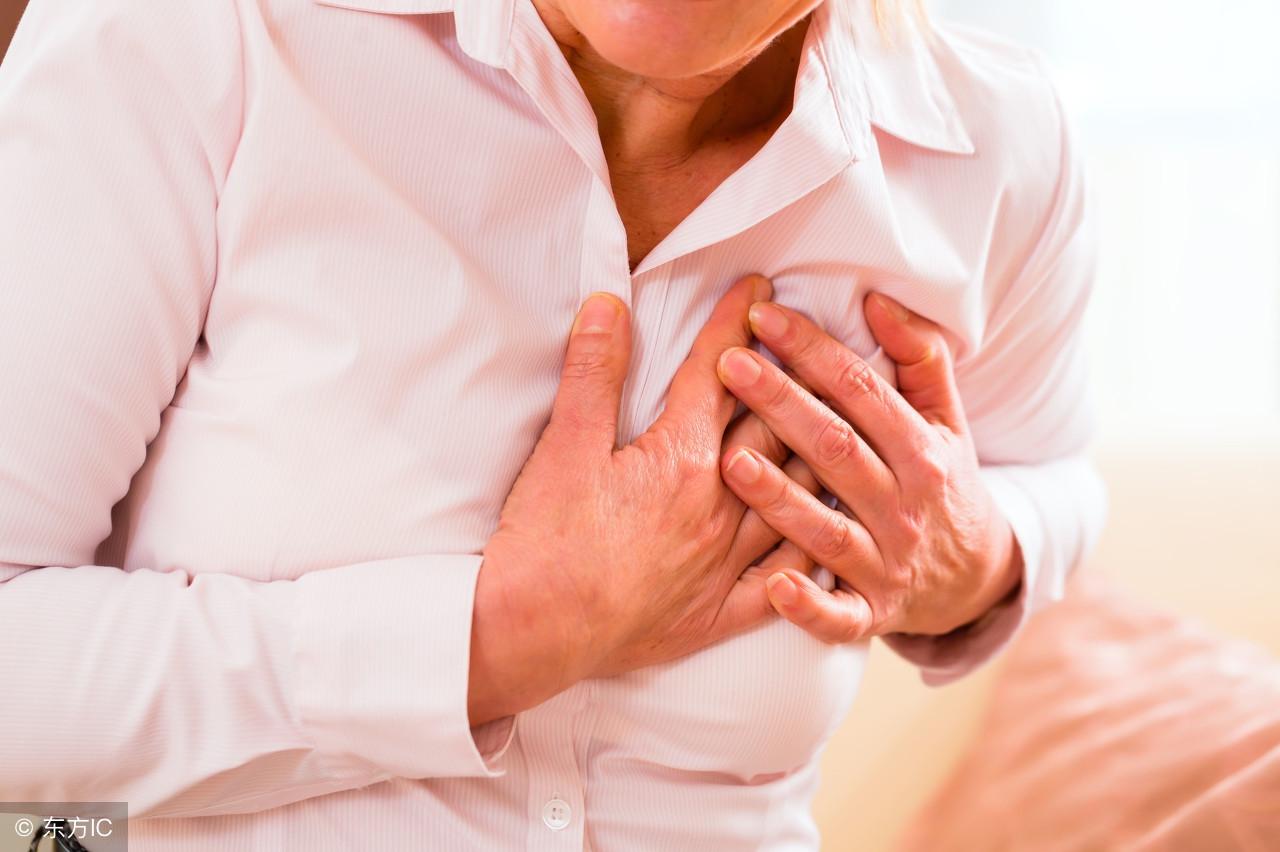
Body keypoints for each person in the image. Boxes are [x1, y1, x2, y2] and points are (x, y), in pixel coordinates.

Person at [0, 0, 1107, 848]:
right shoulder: (197, 35)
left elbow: (1051, 474)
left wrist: (972, 560)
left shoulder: (993, 148)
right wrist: (505, 633)